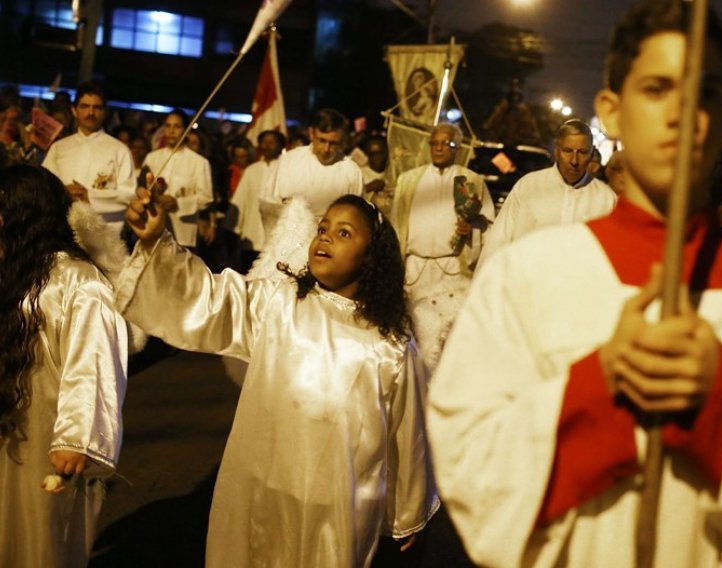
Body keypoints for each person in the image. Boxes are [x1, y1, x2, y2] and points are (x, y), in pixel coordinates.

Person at [427, 1, 722, 566]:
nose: (680, 112)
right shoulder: (525, 276)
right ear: (614, 112)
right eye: (656, 88)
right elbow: (472, 468)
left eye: (704, 92)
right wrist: (599, 387)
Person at [118, 190, 438, 567]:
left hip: (335, 504)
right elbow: (211, 299)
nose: (326, 237)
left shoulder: (391, 347)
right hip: (261, 486)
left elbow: (409, 431)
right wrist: (157, 240)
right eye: (323, 228)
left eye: (344, 233)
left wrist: (407, 511)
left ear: (372, 257)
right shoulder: (279, 305)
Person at [0, 165, 128, 568]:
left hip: (47, 432)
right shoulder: (13, 270)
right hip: (9, 421)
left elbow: (94, 361)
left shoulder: (80, 281)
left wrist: (76, 436)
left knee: (43, 538)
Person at [391, 123, 494, 371]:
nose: (439, 148)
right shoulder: (408, 181)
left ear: (457, 148)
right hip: (414, 270)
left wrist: (472, 231)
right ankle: (411, 380)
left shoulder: (472, 181)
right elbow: (396, 224)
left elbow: (489, 224)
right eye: (434, 143)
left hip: (452, 268)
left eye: (446, 144)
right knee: (412, 331)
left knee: (447, 333)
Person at [477, 118, 616, 269]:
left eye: (582, 152)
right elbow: (498, 242)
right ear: (557, 150)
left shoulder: (606, 199)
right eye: (568, 151)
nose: (574, 160)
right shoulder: (528, 187)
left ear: (591, 153)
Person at [42, 81, 136, 236]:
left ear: (104, 112)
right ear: (74, 110)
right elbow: (43, 187)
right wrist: (63, 192)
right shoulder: (59, 148)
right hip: (62, 231)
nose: (90, 113)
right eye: (85, 106)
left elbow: (128, 195)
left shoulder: (119, 150)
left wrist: (89, 196)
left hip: (104, 236)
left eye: (96, 107)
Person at [141, 109, 215, 251]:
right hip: (153, 228)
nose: (171, 131)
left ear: (186, 130)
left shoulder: (199, 162)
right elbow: (142, 188)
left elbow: (206, 197)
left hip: (183, 233)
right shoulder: (152, 157)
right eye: (168, 126)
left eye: (177, 127)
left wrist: (178, 203)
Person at [272, 108, 363, 217]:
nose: (326, 149)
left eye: (333, 143)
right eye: (322, 140)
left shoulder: (351, 171)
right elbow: (272, 204)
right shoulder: (288, 162)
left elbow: (356, 213)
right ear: (311, 133)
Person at [227, 129, 286, 272]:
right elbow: (240, 200)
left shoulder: (286, 168)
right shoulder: (252, 170)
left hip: (276, 238)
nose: (267, 146)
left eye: (271, 142)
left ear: (280, 145)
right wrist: (234, 228)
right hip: (251, 236)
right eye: (264, 142)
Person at [361, 135, 393, 217]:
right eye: (372, 154)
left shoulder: (393, 173)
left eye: (380, 153)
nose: (376, 158)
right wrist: (369, 188)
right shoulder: (360, 174)